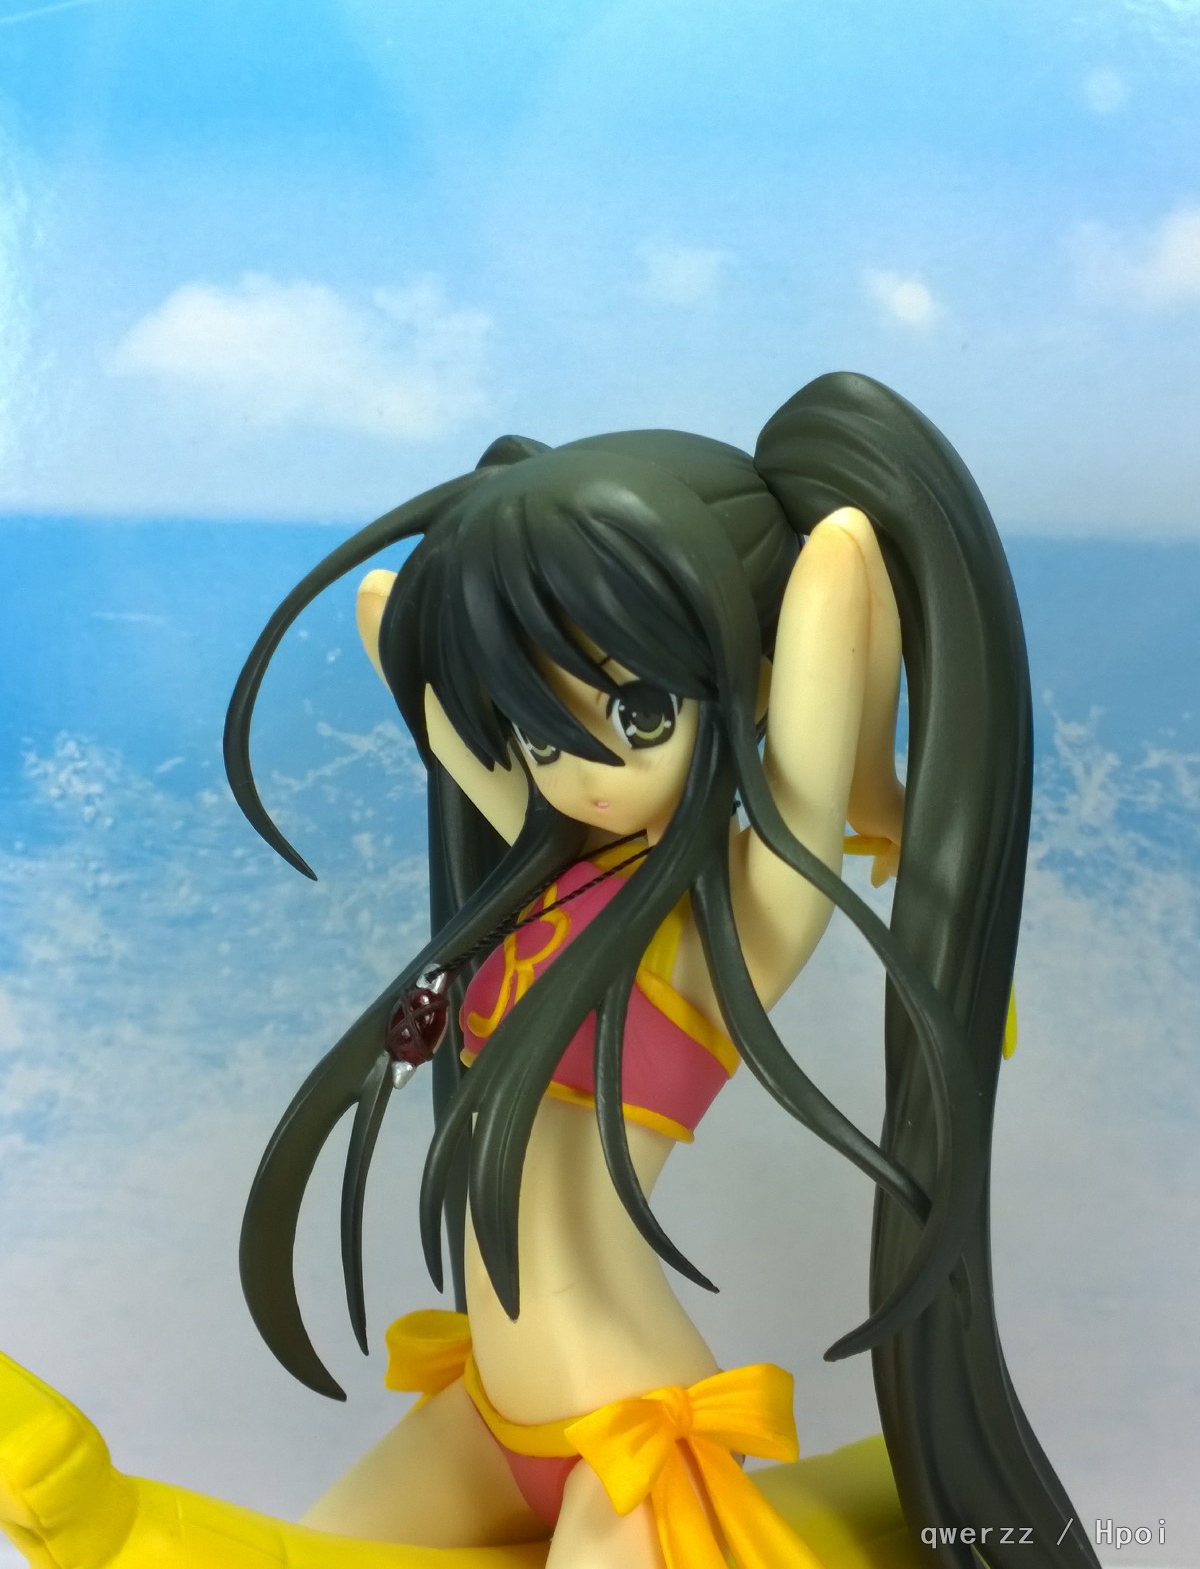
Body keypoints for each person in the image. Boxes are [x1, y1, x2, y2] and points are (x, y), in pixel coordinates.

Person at [0, 373, 1099, 1568]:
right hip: (485, 1412)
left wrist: (861, 721)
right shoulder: (548, 872)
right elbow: (394, 632)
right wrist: (481, 583)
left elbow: (837, 578)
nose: (576, 770)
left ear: (747, 684)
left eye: (638, 714)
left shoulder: (735, 914)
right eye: (539, 728)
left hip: (623, 1436)